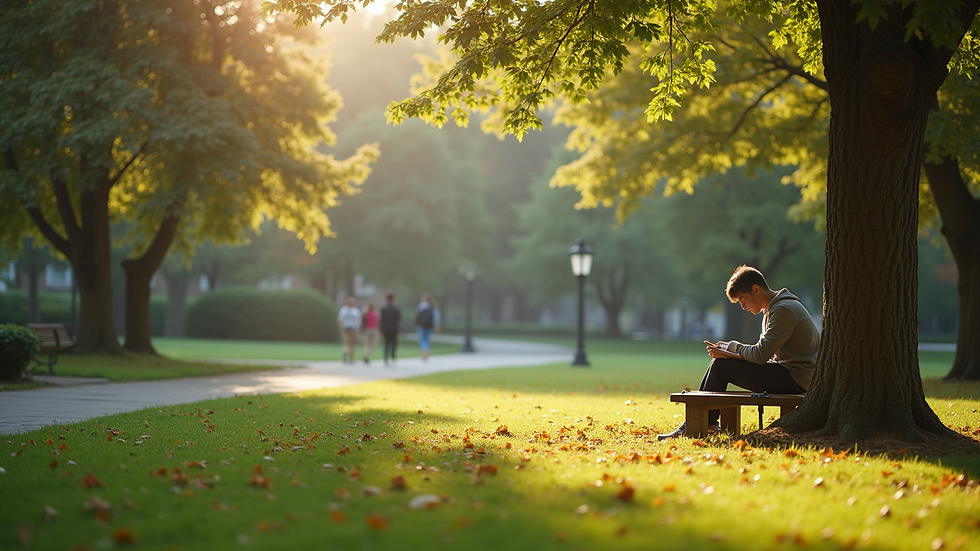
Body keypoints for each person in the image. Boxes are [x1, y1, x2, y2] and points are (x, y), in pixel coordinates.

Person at [658, 265, 819, 440]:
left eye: (743, 299)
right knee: (721, 364)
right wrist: (728, 352)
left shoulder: (783, 310)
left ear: (756, 289)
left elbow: (760, 355)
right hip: (790, 374)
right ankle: (705, 422)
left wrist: (731, 350)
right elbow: (763, 354)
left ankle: (704, 423)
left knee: (721, 366)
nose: (743, 306)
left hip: (796, 379)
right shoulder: (774, 309)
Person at [415, 293, 441, 361]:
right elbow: (436, 317)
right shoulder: (433, 306)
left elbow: (418, 316)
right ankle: (426, 352)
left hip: (421, 325)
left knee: (423, 339)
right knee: (427, 339)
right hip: (429, 325)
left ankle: (423, 352)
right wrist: (437, 326)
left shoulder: (421, 306)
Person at [379, 292, 401, 366]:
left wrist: (381, 328)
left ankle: (386, 358)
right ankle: (393, 357)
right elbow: (399, 319)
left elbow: (381, 320)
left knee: (386, 343)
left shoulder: (383, 308)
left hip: (386, 329)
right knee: (393, 343)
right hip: (394, 328)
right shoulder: (395, 308)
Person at [337, 297, 361, 364]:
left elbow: (358, 321)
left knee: (352, 344)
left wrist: (357, 329)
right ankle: (346, 353)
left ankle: (351, 358)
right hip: (345, 328)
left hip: (353, 329)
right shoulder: (343, 310)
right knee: (346, 343)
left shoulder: (356, 311)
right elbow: (340, 320)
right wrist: (341, 328)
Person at [361, 300, 379, 364]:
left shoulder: (367, 313)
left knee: (369, 344)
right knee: (371, 344)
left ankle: (365, 354)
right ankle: (366, 355)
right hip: (370, 329)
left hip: (369, 329)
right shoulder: (372, 313)